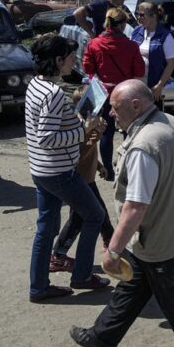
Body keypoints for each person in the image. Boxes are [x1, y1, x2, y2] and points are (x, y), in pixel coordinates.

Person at [69, 80, 174, 347]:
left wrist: (112, 250)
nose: (111, 114)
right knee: (134, 284)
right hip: (170, 226)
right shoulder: (169, 122)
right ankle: (103, 337)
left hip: (160, 236)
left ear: (136, 105)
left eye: (115, 108)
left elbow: (135, 207)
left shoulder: (143, 147)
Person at [25, 33, 110, 302]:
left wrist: (79, 124)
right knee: (94, 215)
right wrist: (84, 130)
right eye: (70, 56)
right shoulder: (53, 94)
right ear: (58, 60)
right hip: (58, 171)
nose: (75, 60)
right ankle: (82, 276)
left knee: (46, 229)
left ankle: (39, 287)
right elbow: (47, 138)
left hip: (42, 170)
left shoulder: (36, 85)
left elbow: (48, 129)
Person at [49, 85, 115, 272]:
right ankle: (58, 255)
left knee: (96, 212)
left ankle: (110, 242)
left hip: (87, 178)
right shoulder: (79, 126)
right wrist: (95, 134)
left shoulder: (90, 124)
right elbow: (78, 152)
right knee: (81, 218)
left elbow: (90, 153)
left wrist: (100, 166)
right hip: (78, 180)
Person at [83, 8, 145, 181]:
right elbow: (139, 70)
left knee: (107, 132)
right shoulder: (131, 46)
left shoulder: (94, 43)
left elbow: (87, 68)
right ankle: (128, 167)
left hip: (103, 93)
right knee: (129, 131)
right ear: (124, 24)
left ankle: (108, 170)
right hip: (125, 92)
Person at [130, 2, 174, 105]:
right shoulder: (136, 31)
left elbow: (171, 63)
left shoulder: (165, 36)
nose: (139, 17)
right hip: (136, 86)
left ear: (154, 16)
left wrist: (159, 86)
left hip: (153, 88)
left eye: (142, 15)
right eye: (138, 14)